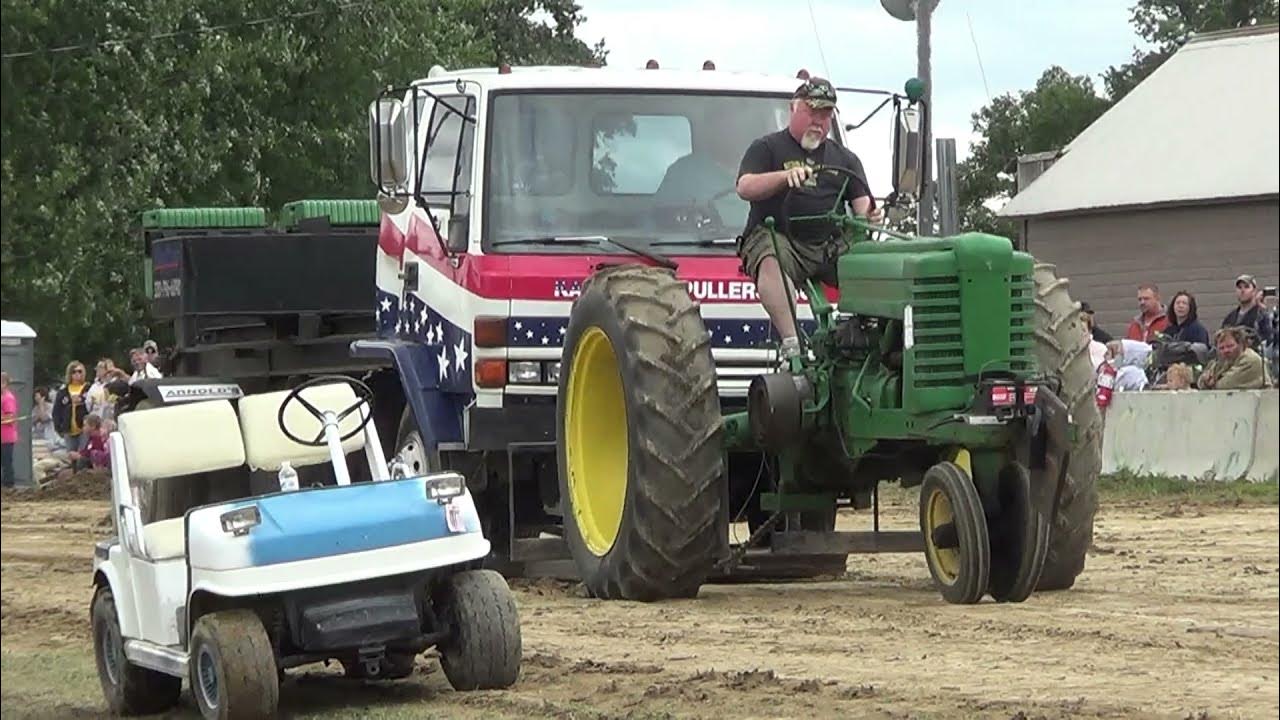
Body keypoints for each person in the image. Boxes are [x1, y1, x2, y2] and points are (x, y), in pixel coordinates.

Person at [735, 77, 882, 362]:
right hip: (782, 238)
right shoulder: (767, 148)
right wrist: (783, 178)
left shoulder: (846, 159)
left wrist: (873, 216)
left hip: (829, 245)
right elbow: (744, 187)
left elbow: (864, 208)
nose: (819, 121)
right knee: (769, 256)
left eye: (825, 114)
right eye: (812, 112)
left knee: (875, 262)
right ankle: (793, 346)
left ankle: (873, 342)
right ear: (794, 108)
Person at [1197, 326, 1266, 390]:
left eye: (1230, 346)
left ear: (1240, 344)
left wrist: (1212, 383)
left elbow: (1225, 385)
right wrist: (1206, 382)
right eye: (1221, 348)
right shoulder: (1223, 361)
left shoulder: (1250, 360)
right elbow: (1200, 382)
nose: (1226, 350)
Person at [1222, 274, 1274, 348]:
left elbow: (1269, 339)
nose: (1242, 290)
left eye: (1246, 287)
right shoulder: (1230, 318)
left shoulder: (1261, 314)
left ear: (1254, 290)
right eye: (1239, 287)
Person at [53, 361, 90, 451]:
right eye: (74, 372)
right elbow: (57, 410)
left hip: (84, 428)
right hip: (68, 429)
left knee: (82, 454)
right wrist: (58, 427)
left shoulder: (89, 388)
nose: (77, 374)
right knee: (71, 455)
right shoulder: (63, 390)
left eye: (80, 371)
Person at [1, 372, 17, 487]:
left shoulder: (8, 398)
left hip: (6, 437)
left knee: (6, 463)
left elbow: (10, 418)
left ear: (5, 383)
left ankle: (8, 486)